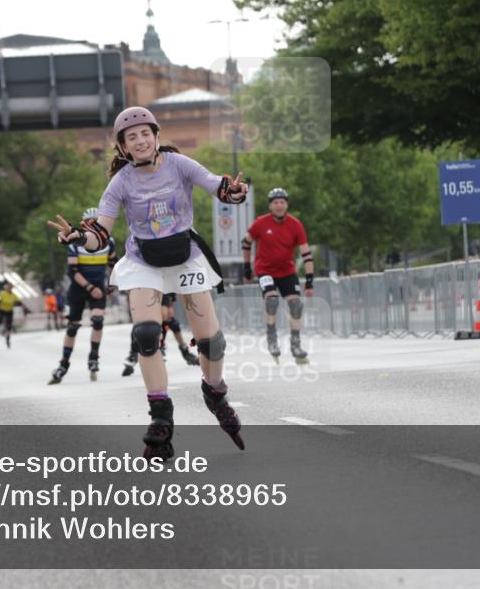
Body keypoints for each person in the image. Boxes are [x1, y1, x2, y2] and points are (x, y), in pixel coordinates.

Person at [48, 106, 247, 459]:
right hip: (143, 260)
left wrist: (233, 193)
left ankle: (214, 392)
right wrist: (78, 237)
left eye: (145, 133)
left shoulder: (178, 164)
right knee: (145, 335)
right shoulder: (121, 182)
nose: (139, 141)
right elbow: (101, 236)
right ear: (123, 147)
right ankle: (161, 417)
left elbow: (217, 186)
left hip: (185, 255)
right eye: (131, 137)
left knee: (212, 342)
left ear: (156, 136)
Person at [242, 187, 314, 364]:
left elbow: (306, 253)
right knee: (272, 300)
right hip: (265, 269)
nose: (279, 205)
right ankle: (272, 338)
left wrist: (310, 280)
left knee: (296, 305)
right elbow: (246, 242)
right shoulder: (260, 223)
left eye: (282, 202)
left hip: (287, 271)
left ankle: (295, 344)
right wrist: (246, 266)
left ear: (287, 204)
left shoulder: (295, 225)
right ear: (270, 206)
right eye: (275, 202)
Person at [48, 208, 117, 385]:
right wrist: (88, 287)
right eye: (90, 223)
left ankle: (93, 358)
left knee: (98, 320)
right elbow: (73, 271)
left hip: (98, 287)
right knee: (73, 327)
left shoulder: (109, 242)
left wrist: (111, 285)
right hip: (79, 287)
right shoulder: (74, 243)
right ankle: (63, 364)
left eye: (97, 223)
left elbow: (113, 265)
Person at [122, 292, 199, 377]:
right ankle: (134, 353)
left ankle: (180, 350)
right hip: (143, 285)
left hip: (163, 285)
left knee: (169, 318)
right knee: (141, 323)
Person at [0, 282, 21, 348]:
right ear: (6, 288)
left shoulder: (13, 295)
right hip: (1, 310)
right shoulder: (3, 293)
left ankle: (7, 340)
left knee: (8, 326)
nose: (9, 289)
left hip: (9, 311)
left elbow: (18, 301)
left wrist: (18, 303)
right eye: (8, 287)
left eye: (10, 288)